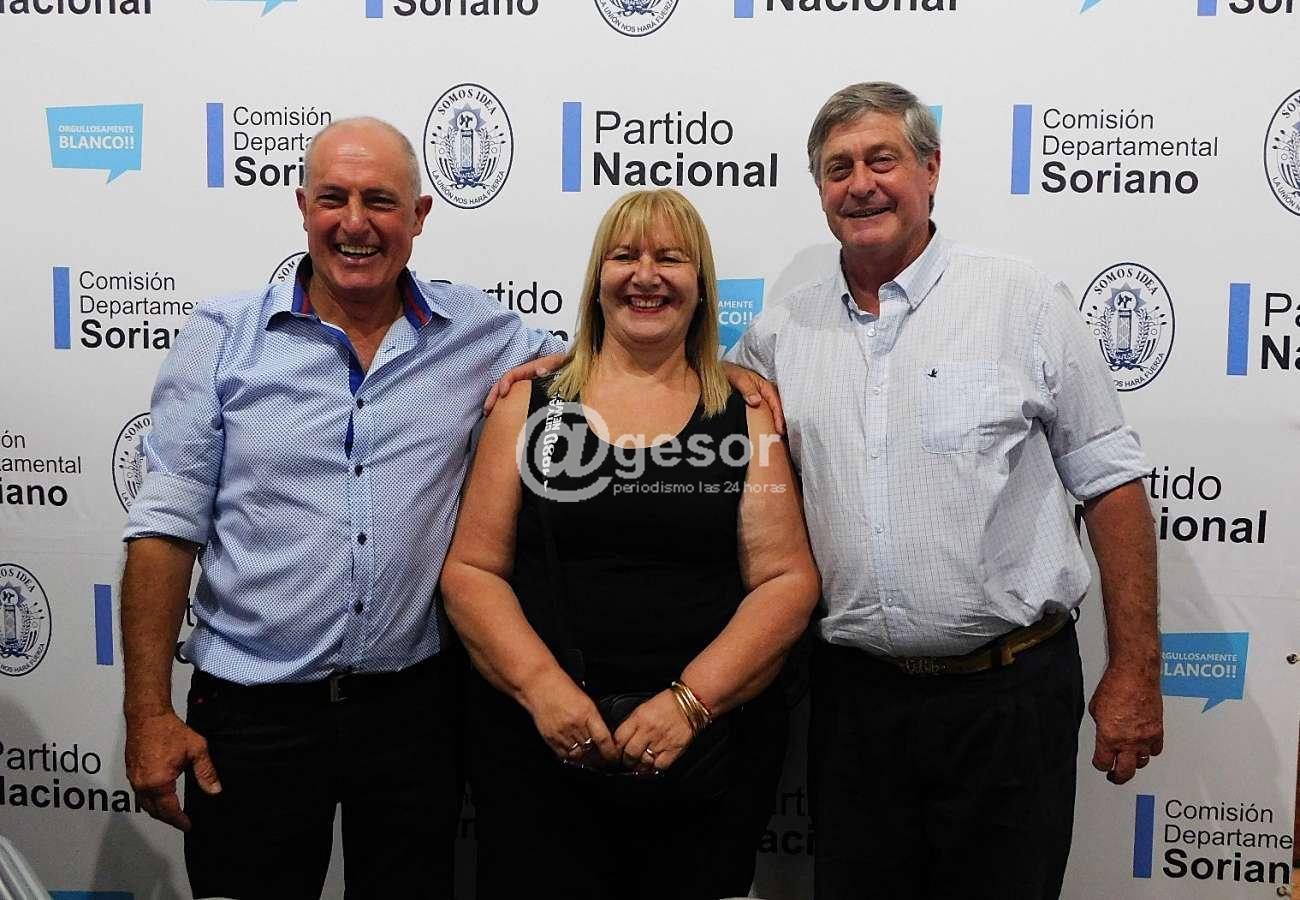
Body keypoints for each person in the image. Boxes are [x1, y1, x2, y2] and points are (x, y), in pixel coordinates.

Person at [726, 82, 1164, 899]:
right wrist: (564, 363)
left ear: (930, 170)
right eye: (838, 168)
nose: (861, 184)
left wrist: (1136, 670)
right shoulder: (779, 337)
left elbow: (1110, 484)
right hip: (855, 709)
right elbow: (675, 399)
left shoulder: (1022, 300)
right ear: (819, 191)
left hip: (1010, 701)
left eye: (882, 160)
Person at [118, 116, 571, 898]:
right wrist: (148, 714)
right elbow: (164, 531)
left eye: (380, 201)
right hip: (251, 715)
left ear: (419, 216)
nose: (354, 223)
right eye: (333, 198)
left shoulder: (477, 331)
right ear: (303, 208)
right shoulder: (222, 337)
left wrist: (716, 373)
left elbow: (610, 358)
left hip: (413, 714)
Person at [440, 188, 820, 900]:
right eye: (625, 257)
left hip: (701, 760)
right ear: (597, 280)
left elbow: (785, 581)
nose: (646, 276)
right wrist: (543, 689)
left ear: (700, 286)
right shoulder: (529, 403)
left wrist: (689, 704)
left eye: (670, 258)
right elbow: (471, 570)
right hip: (538, 756)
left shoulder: (745, 413)